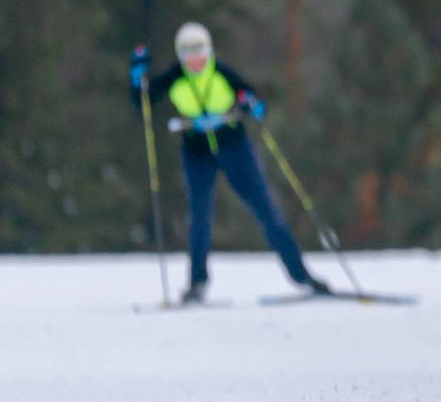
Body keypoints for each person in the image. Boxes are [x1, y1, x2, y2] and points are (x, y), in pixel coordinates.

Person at [133, 21, 325, 304]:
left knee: (267, 211)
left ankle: (302, 276)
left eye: (198, 51)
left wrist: (252, 104)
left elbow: (249, 94)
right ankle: (197, 283)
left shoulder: (222, 72)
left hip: (234, 148)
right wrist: (138, 79)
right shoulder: (175, 77)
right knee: (199, 219)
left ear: (208, 51)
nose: (194, 59)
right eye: (186, 53)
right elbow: (144, 102)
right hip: (197, 152)